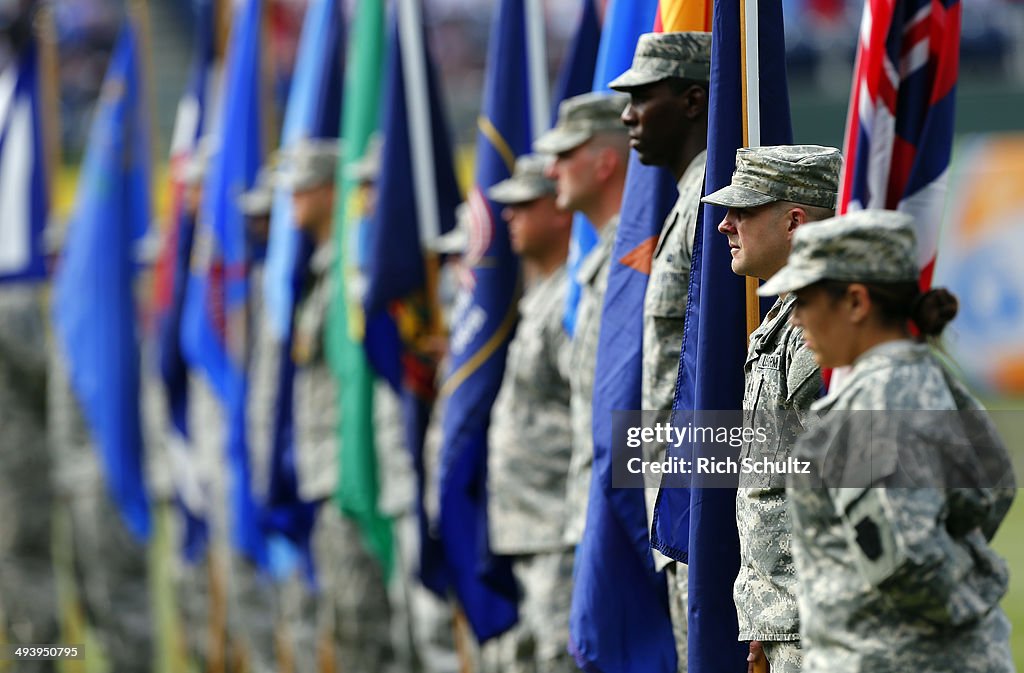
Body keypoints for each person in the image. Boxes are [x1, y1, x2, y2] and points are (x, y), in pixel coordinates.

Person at [761, 209, 1015, 673]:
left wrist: (972, 596)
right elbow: (994, 492)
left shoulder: (868, 409)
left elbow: (908, 563)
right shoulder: (932, 376)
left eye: (806, 300)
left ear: (856, 303)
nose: (795, 319)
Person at [701, 144, 841, 673]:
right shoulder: (788, 314)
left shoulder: (823, 328)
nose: (725, 225)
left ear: (794, 221)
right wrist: (766, 616)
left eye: (744, 210)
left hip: (821, 626)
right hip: (788, 623)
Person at [607, 30, 712, 669]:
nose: (626, 115)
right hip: (667, 489)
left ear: (694, 101)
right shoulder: (684, 202)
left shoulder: (714, 206)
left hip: (701, 492)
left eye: (642, 98)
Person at [279, 137, 395, 673]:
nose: (293, 197)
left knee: (370, 629)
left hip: (360, 472)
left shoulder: (357, 271)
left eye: (305, 184)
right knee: (347, 625)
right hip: (330, 471)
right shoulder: (322, 272)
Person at [485, 154, 576, 672]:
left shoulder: (570, 299)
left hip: (558, 527)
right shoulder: (539, 296)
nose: (508, 216)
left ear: (560, 209)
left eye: (524, 204)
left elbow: (592, 410)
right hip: (528, 527)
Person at [533, 91, 630, 548]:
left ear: (606, 162)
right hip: (591, 510)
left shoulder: (635, 261)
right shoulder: (600, 262)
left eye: (565, 155)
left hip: (626, 517)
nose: (551, 171)